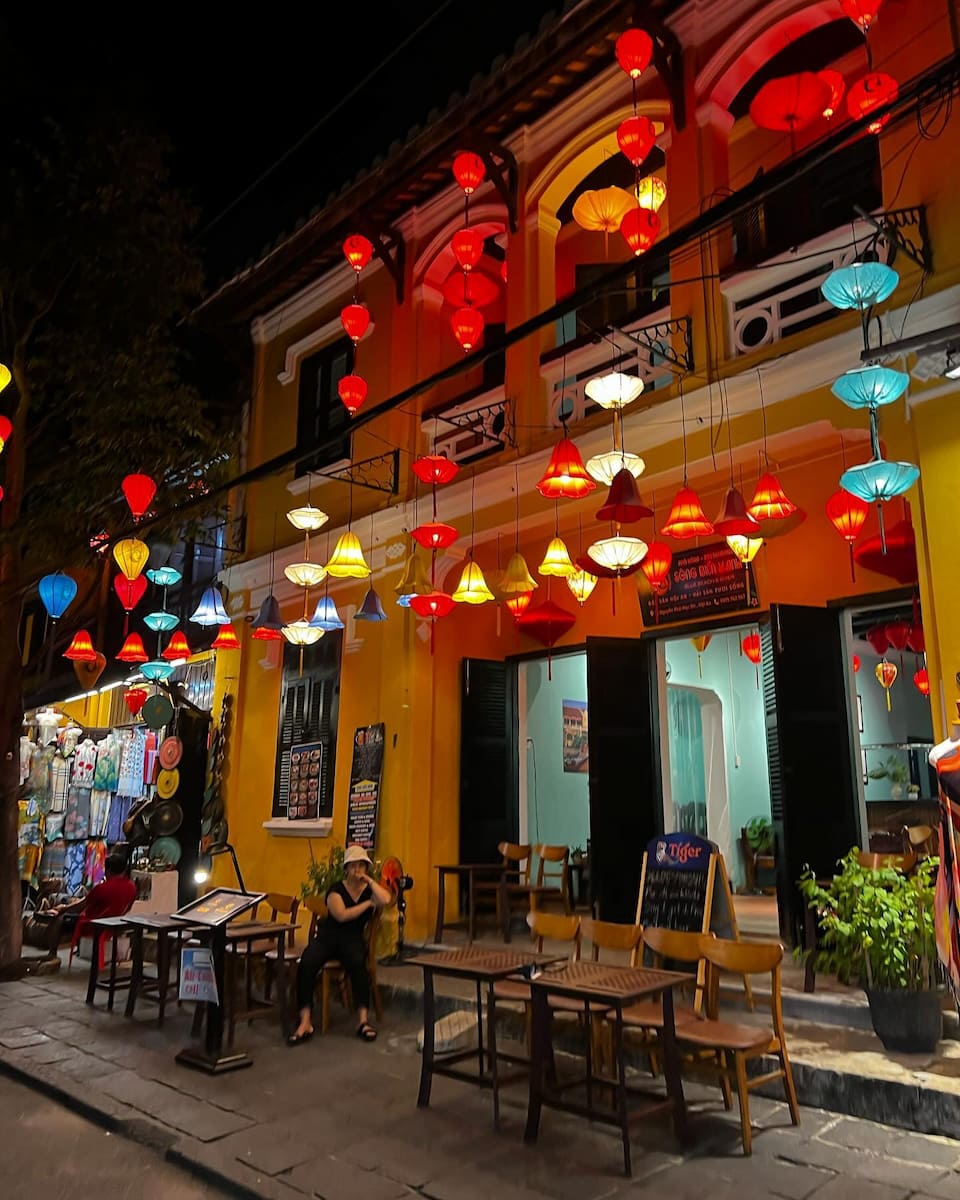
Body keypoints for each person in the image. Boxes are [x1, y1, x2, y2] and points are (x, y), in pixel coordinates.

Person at [288, 844, 392, 1045]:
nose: (357, 870)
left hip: (352, 939)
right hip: (329, 936)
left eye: (361, 865)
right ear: (346, 868)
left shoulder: (369, 889)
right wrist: (368, 904)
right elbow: (342, 915)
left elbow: (386, 899)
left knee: (358, 965)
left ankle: (363, 1021)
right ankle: (305, 1021)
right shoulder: (336, 889)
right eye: (352, 866)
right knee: (308, 962)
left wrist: (370, 881)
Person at [44, 852, 137, 922]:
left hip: (90, 925)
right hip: (114, 923)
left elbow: (81, 906)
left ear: (108, 870)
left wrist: (63, 909)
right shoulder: (132, 887)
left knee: (57, 917)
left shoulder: (102, 888)